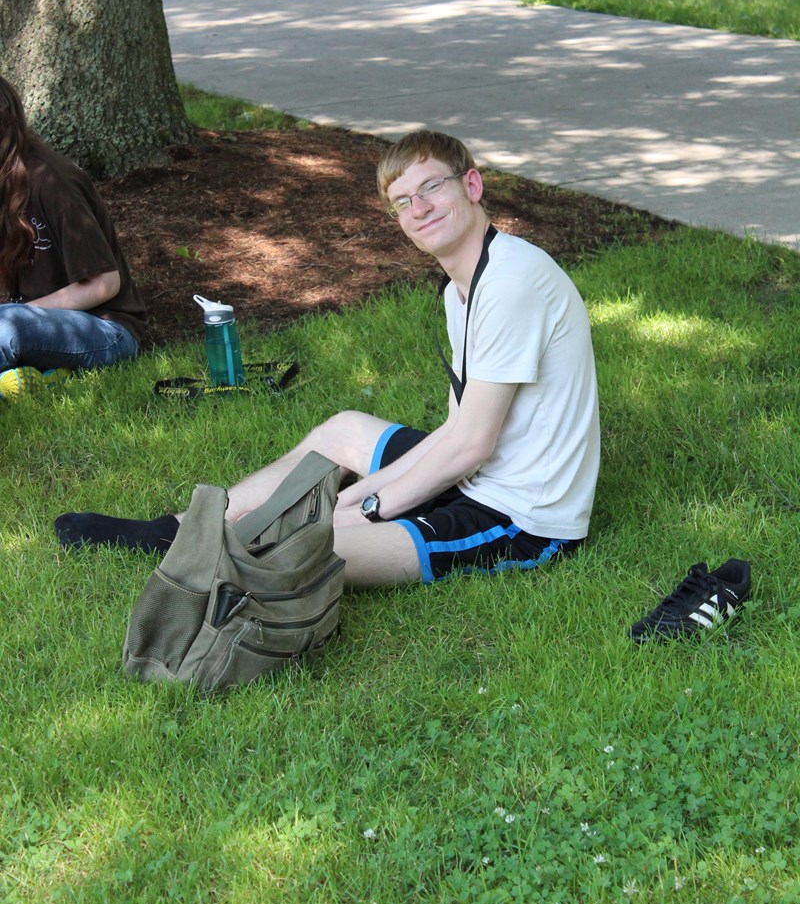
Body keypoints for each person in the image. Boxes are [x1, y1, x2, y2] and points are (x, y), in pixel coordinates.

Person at [56, 130, 600, 589]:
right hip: (474, 476)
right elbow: (456, 432)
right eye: (403, 201)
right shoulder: (467, 283)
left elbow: (471, 445)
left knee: (285, 552)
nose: (419, 208)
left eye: (432, 186)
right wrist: (360, 495)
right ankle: (176, 531)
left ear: (472, 185)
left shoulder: (511, 282)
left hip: (518, 515)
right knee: (343, 432)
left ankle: (226, 543)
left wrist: (366, 509)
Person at [0, 74, 147, 393]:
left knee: (7, 326)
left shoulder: (53, 184)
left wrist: (22, 311)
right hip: (39, 326)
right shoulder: (5, 182)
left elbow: (105, 283)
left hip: (108, 329)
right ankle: (37, 375)